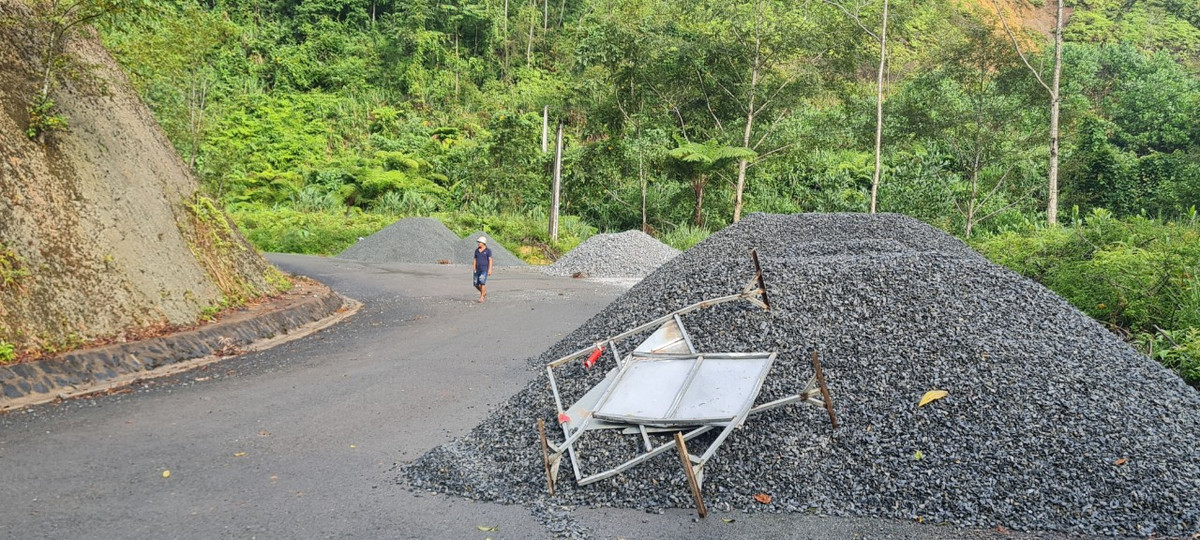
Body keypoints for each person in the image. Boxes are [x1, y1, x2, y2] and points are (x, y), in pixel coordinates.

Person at [472, 236, 493, 302]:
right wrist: (474, 268)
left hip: (484, 269)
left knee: (482, 282)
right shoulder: (476, 250)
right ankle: (483, 292)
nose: (478, 243)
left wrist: (490, 269)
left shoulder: (488, 251)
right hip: (477, 269)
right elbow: (475, 259)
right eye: (478, 242)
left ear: (483, 243)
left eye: (480, 242)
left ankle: (482, 296)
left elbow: (490, 260)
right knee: (476, 284)